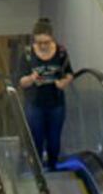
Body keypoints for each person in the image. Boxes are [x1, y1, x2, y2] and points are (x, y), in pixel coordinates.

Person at [19, 19, 74, 171]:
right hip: (34, 104)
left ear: (52, 38)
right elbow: (21, 81)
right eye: (39, 42)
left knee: (54, 138)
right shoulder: (27, 54)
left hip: (56, 103)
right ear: (34, 40)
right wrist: (31, 78)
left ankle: (52, 165)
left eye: (46, 42)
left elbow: (69, 73)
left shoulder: (61, 52)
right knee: (36, 137)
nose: (43, 45)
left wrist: (64, 82)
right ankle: (37, 168)